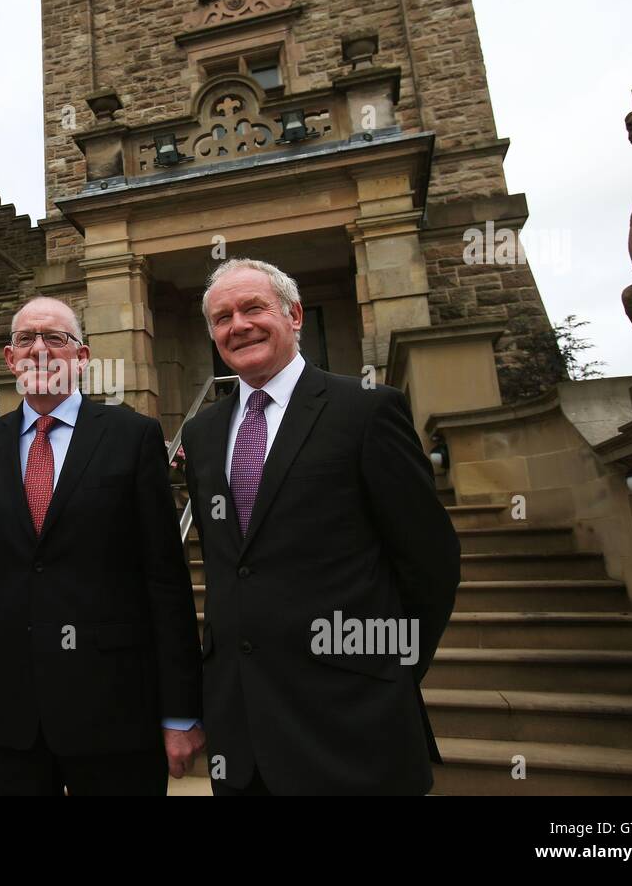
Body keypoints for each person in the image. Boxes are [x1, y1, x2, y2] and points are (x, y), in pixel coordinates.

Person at [182, 258, 460, 795]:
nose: (237, 325)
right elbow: (230, 567)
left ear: (294, 315)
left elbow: (430, 564)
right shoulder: (202, 434)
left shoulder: (366, 410)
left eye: (253, 308)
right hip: (242, 736)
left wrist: (386, 672)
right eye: (221, 318)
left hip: (353, 724)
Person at [0, 296, 203, 795]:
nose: (39, 349)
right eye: (26, 339)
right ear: (10, 358)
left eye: (56, 338)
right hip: (5, 713)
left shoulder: (134, 437)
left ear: (81, 358)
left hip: (116, 711)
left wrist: (179, 709)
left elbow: (165, 579)